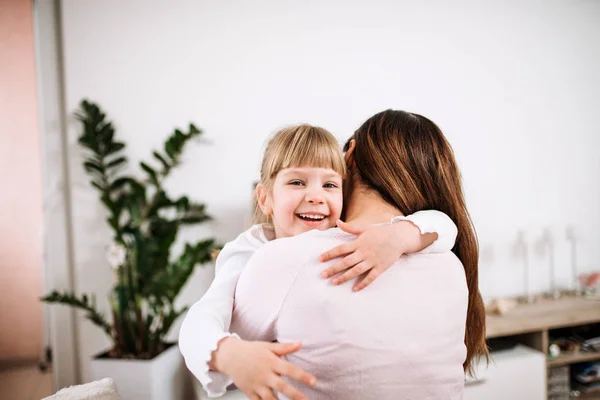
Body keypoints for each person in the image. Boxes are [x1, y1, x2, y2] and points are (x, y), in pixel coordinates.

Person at [210, 110, 488, 400]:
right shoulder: (451, 263)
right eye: (297, 182)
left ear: (350, 155)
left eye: (328, 183)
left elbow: (224, 368)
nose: (316, 196)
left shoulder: (285, 260)